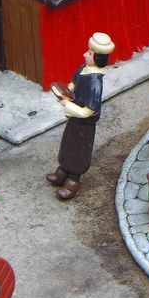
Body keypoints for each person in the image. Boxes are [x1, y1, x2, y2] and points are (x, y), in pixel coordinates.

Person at [47, 32, 113, 200]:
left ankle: (73, 181)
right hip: (74, 119)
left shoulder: (95, 82)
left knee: (79, 151)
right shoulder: (83, 69)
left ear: (97, 57)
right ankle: (62, 172)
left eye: (90, 53)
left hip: (84, 124)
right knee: (67, 144)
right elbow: (73, 84)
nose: (85, 54)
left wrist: (67, 104)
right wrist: (65, 92)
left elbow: (88, 111)